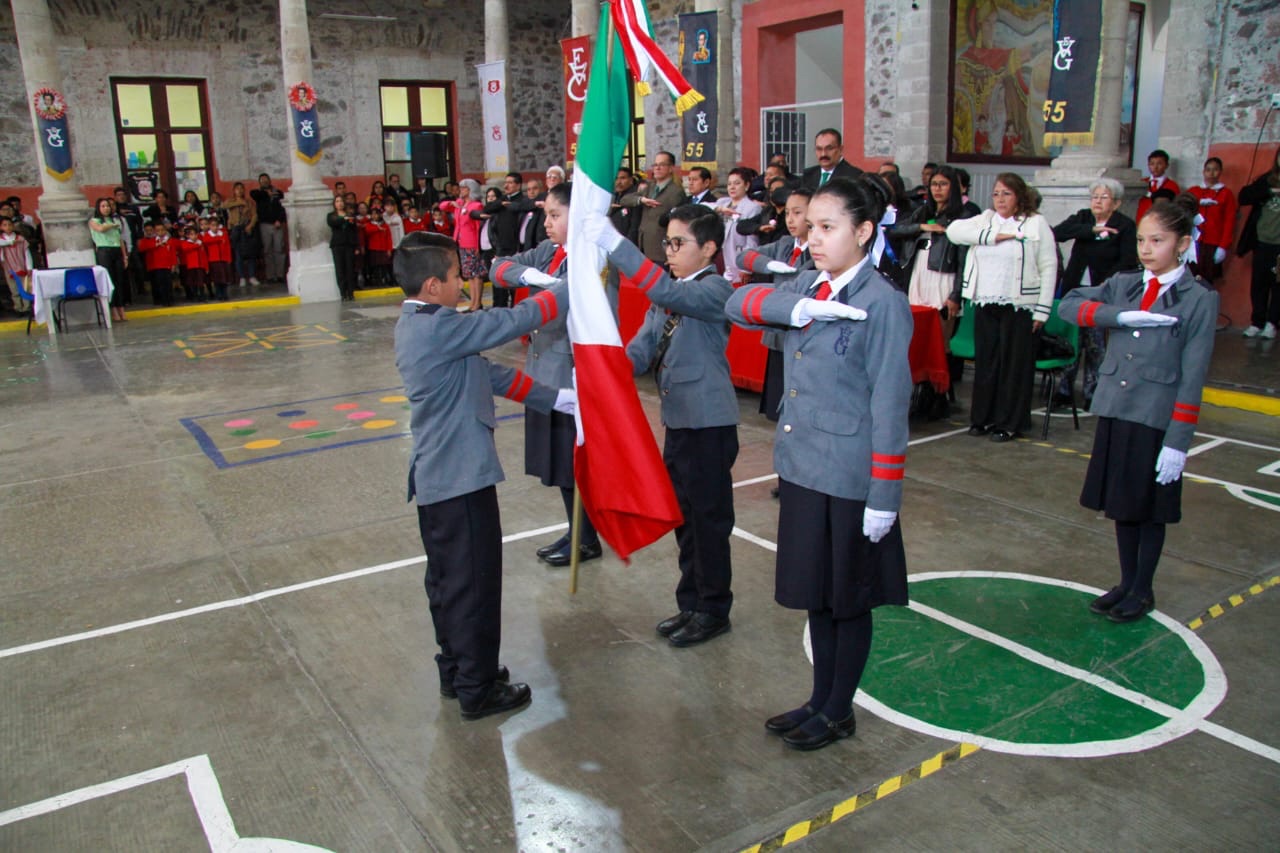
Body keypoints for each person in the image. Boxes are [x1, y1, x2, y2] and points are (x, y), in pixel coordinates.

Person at [725, 175, 912, 751]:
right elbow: (738, 302)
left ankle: (838, 710)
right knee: (817, 595)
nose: (812, 239)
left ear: (863, 231)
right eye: (811, 227)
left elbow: (889, 403)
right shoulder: (811, 285)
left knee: (847, 599)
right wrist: (799, 305)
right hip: (804, 467)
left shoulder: (883, 304)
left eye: (828, 228)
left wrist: (884, 495)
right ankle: (818, 698)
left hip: (851, 478)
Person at [393, 230, 575, 721]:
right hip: (458, 480)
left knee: (451, 583)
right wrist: (568, 286)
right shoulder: (437, 328)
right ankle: (477, 689)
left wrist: (556, 399)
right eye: (456, 275)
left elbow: (487, 375)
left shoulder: (427, 324)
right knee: (473, 584)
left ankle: (459, 669)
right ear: (433, 286)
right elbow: (511, 319)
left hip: (444, 479)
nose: (464, 281)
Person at [582, 205, 739, 648]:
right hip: (679, 422)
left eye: (677, 243)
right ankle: (691, 602)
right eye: (666, 242)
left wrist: (615, 243)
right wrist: (602, 368)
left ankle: (713, 609)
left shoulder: (714, 290)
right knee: (685, 520)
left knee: (708, 521)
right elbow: (642, 349)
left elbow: (670, 296)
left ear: (708, 248)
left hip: (709, 424)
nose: (668, 252)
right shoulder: (667, 293)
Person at [1059, 200, 1218, 622]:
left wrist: (1178, 443)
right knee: (1122, 505)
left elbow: (1193, 374)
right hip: (1117, 409)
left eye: (1158, 241)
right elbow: (1068, 304)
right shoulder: (1125, 284)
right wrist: (1118, 315)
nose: (1146, 249)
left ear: (1182, 244)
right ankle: (1126, 581)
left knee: (1148, 509)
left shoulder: (1198, 299)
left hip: (1155, 416)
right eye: (1143, 240)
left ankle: (1143, 588)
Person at [488, 183, 603, 566]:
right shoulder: (550, 253)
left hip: (571, 375)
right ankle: (577, 532)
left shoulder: (591, 261)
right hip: (544, 372)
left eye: (555, 215)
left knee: (574, 465)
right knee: (556, 465)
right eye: (546, 215)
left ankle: (586, 539)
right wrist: (533, 278)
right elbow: (498, 267)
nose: (547, 222)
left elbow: (568, 305)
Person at [946, 172, 1057, 442]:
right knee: (987, 363)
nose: (1000, 199)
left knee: (1013, 366)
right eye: (996, 193)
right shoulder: (986, 220)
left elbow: (1049, 266)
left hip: (1020, 306)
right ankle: (982, 418)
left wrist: (1042, 310)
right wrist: (993, 236)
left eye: (1006, 193)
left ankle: (1009, 422)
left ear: (1019, 196)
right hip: (986, 302)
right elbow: (953, 231)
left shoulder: (1035, 224)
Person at [1050, 178, 1138, 408]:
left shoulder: (1125, 225)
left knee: (1095, 343)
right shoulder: (1084, 217)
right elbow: (1057, 233)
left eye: (1103, 197)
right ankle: (1064, 388)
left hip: (1101, 293)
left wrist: (1103, 286)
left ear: (1116, 203)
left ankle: (1093, 390)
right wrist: (1091, 230)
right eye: (1094, 197)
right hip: (1075, 290)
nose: (1097, 201)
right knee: (1071, 339)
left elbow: (1128, 260)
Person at [736, 186, 814, 424]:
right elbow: (745, 257)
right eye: (788, 213)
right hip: (779, 325)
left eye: (798, 213)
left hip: (803, 328)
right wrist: (769, 265)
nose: (790, 219)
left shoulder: (821, 248)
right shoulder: (784, 244)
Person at [1236, 147, 1280, 339]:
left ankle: (1272, 322)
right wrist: (1269, 190)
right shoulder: (1267, 179)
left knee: (1277, 285)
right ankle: (1257, 321)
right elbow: (1244, 197)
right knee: (1259, 283)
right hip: (1262, 241)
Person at [476, 173, 534, 307]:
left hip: (516, 249)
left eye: (510, 182)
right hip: (500, 249)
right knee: (499, 285)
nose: (506, 185)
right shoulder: (501, 201)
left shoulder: (522, 201)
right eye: (505, 182)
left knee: (515, 284)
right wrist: (501, 203)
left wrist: (511, 206)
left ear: (518, 185)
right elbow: (487, 208)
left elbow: (526, 206)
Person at [619, 151, 687, 263]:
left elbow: (677, 223)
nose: (657, 168)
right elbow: (624, 200)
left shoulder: (676, 192)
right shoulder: (650, 187)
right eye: (655, 165)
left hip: (661, 251)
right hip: (644, 248)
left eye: (662, 165)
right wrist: (641, 200)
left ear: (670, 168)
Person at [1186, 157, 1238, 283]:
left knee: (1206, 279)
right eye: (1208, 170)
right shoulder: (1194, 191)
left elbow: (1229, 221)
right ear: (1203, 172)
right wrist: (1197, 202)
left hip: (1212, 242)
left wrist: (1223, 246)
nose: (1211, 173)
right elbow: (1182, 209)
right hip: (1193, 241)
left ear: (1220, 172)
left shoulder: (1226, 194)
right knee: (1188, 275)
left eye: (1215, 170)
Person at [439, 178, 486, 312]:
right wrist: (452, 203)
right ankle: (472, 302)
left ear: (471, 190)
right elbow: (442, 206)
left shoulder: (475, 206)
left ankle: (477, 303)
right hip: (461, 242)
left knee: (476, 274)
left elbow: (478, 227)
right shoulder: (460, 204)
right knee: (469, 274)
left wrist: (477, 246)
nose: (461, 190)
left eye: (464, 188)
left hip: (472, 243)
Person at [712, 167, 764, 284]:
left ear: (746, 186)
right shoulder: (722, 203)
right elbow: (704, 207)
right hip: (719, 257)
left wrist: (746, 268)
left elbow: (752, 241)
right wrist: (719, 209)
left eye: (737, 183)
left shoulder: (752, 207)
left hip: (737, 259)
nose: (732, 187)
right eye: (729, 184)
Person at [88, 197, 129, 322]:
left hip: (116, 250)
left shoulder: (114, 220)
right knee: (109, 280)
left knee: (119, 281)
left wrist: (124, 256)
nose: (106, 208)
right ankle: (113, 310)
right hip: (104, 251)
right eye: (103, 206)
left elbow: (120, 239)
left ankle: (121, 308)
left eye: (107, 206)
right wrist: (111, 225)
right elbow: (100, 229)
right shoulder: (94, 221)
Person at [251, 173, 287, 283]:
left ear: (270, 180)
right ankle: (270, 276)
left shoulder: (278, 193)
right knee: (267, 251)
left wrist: (279, 220)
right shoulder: (258, 194)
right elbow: (253, 194)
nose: (264, 182)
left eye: (266, 180)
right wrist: (266, 193)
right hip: (264, 225)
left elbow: (283, 208)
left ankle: (280, 274)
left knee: (279, 249)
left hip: (277, 225)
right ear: (259, 182)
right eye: (262, 180)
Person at [223, 182, 258, 287]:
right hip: (236, 229)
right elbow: (224, 206)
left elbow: (254, 215)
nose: (240, 190)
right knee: (238, 254)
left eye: (242, 188)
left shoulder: (249, 202)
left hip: (246, 228)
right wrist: (238, 203)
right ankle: (242, 277)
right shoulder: (230, 201)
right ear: (234, 191)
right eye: (237, 188)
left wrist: (250, 225)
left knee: (251, 254)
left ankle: (252, 276)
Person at [136, 221, 178, 306]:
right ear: (155, 232)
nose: (160, 232)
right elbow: (141, 248)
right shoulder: (151, 241)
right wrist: (157, 244)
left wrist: (174, 264)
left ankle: (170, 300)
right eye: (158, 230)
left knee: (168, 283)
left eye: (162, 230)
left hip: (167, 266)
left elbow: (173, 253)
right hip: (156, 266)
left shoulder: (169, 241)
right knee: (159, 284)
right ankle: (162, 300)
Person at [327, 195, 358, 301]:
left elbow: (354, 230)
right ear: (334, 204)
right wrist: (345, 219)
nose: (339, 203)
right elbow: (333, 223)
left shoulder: (350, 215)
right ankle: (343, 293)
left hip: (349, 244)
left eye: (341, 201)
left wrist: (356, 245)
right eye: (337, 201)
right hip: (337, 245)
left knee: (350, 269)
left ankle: (350, 292)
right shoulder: (331, 215)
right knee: (340, 270)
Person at [1136, 149, 1180, 224]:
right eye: (1152, 164)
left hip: (1161, 222)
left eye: (1159, 164)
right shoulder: (1141, 183)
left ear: (1166, 165)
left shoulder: (1172, 185)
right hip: (1141, 220)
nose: (1155, 167)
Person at [0, 215, 31, 317]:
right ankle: (18, 308)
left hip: (22, 266)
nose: (8, 227)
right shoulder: (2, 240)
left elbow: (27, 254)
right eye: (5, 225)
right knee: (14, 289)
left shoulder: (21, 239)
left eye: (9, 224)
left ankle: (27, 307)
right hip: (9, 268)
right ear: (1, 227)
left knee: (25, 288)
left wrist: (29, 267)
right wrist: (11, 242)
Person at [201, 216, 233, 301]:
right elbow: (206, 242)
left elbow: (227, 246)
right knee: (217, 279)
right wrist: (218, 239)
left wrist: (228, 258)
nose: (214, 227)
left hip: (223, 259)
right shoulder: (207, 235)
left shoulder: (223, 234)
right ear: (209, 226)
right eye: (212, 225)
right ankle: (219, 295)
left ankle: (225, 294)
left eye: (216, 225)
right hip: (213, 260)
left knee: (224, 278)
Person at [361, 205, 394, 289]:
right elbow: (367, 231)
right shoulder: (369, 224)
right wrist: (378, 228)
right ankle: (376, 281)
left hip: (383, 248)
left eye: (376, 214)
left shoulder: (385, 225)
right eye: (373, 214)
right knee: (375, 266)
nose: (374, 216)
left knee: (384, 266)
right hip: (373, 249)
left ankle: (385, 280)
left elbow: (389, 238)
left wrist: (389, 249)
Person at [177, 224, 210, 301]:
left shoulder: (200, 243)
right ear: (188, 236)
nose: (194, 236)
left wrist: (206, 266)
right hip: (191, 266)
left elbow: (204, 255)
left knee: (201, 282)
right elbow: (186, 248)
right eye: (191, 234)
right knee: (193, 282)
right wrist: (197, 245)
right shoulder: (186, 243)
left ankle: (202, 296)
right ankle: (195, 296)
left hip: (200, 266)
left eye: (195, 234)